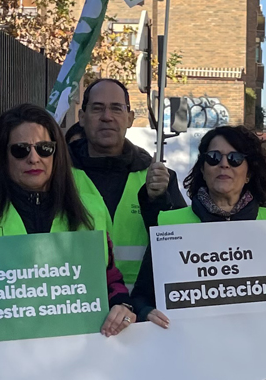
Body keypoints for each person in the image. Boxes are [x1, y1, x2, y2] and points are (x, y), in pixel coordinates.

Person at [0, 104, 136, 346]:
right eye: (20, 150)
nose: (34, 158)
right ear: (2, 156)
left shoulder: (89, 212)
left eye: (44, 149)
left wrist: (122, 306)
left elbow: (110, 279)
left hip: (76, 360)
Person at [131, 126, 266, 327]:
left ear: (249, 172)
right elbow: (140, 298)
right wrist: (146, 312)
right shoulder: (171, 225)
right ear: (202, 169)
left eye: (235, 159)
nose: (224, 164)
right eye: (214, 157)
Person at [70, 79, 186, 289]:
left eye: (116, 108)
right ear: (82, 117)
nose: (107, 117)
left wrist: (159, 200)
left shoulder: (158, 177)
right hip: (77, 302)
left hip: (143, 308)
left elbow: (182, 247)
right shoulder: (58, 175)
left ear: (130, 118)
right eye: (97, 109)